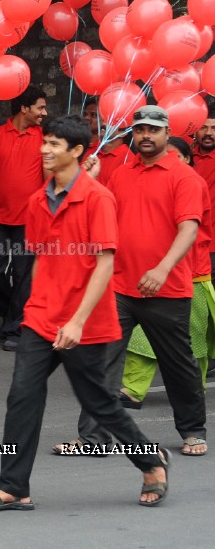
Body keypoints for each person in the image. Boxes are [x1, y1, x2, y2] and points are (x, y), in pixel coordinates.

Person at [0, 115, 170, 510]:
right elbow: (44, 259)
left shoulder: (98, 198)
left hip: (86, 322)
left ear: (77, 151)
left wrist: (77, 321)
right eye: (44, 142)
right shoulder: (35, 201)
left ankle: (151, 463)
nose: (45, 150)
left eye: (55, 144)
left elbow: (103, 263)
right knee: (22, 397)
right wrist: (35, 309)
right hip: (42, 318)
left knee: (99, 403)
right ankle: (14, 488)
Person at [60, 105, 208, 457]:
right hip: (119, 286)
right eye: (140, 130)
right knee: (102, 362)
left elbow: (189, 229)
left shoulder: (185, 177)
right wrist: (90, 180)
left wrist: (161, 269)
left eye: (153, 131)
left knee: (178, 364)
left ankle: (192, 431)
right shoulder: (122, 175)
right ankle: (93, 439)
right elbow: (98, 211)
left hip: (167, 289)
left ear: (166, 133)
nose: (145, 136)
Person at [120, 137, 215, 408]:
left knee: (190, 344)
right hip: (145, 277)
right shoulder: (143, 179)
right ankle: (132, 390)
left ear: (187, 160)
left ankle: (193, 396)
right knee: (139, 339)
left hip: (190, 276)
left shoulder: (191, 183)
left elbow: (189, 230)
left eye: (175, 157)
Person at [0, 86, 47, 351]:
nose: (44, 113)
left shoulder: (44, 139)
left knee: (23, 275)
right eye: (40, 107)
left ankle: (14, 328)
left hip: (30, 221)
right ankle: (11, 314)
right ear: (24, 108)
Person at [83, 97, 131, 187]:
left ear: (123, 133)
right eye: (104, 119)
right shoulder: (90, 151)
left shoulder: (128, 159)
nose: (104, 124)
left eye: (111, 122)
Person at [191, 105, 215, 272]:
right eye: (203, 128)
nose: (208, 133)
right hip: (188, 242)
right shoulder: (184, 158)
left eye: (214, 128)